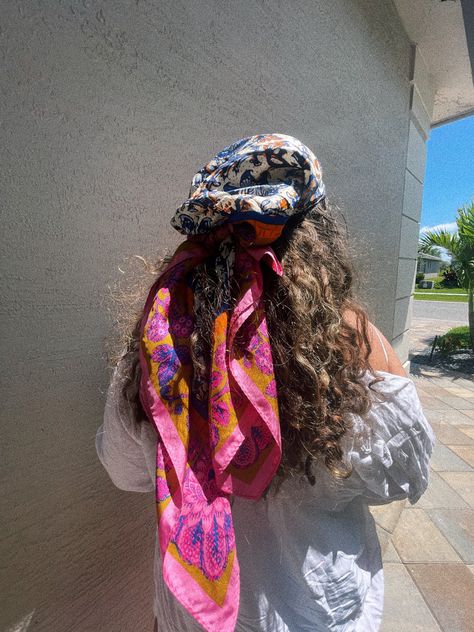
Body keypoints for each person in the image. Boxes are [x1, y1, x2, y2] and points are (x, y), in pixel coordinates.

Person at [95, 133, 436, 632]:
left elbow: (124, 469)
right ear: (317, 241)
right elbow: (406, 474)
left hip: (187, 619)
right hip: (316, 613)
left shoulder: (157, 341)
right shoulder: (349, 345)